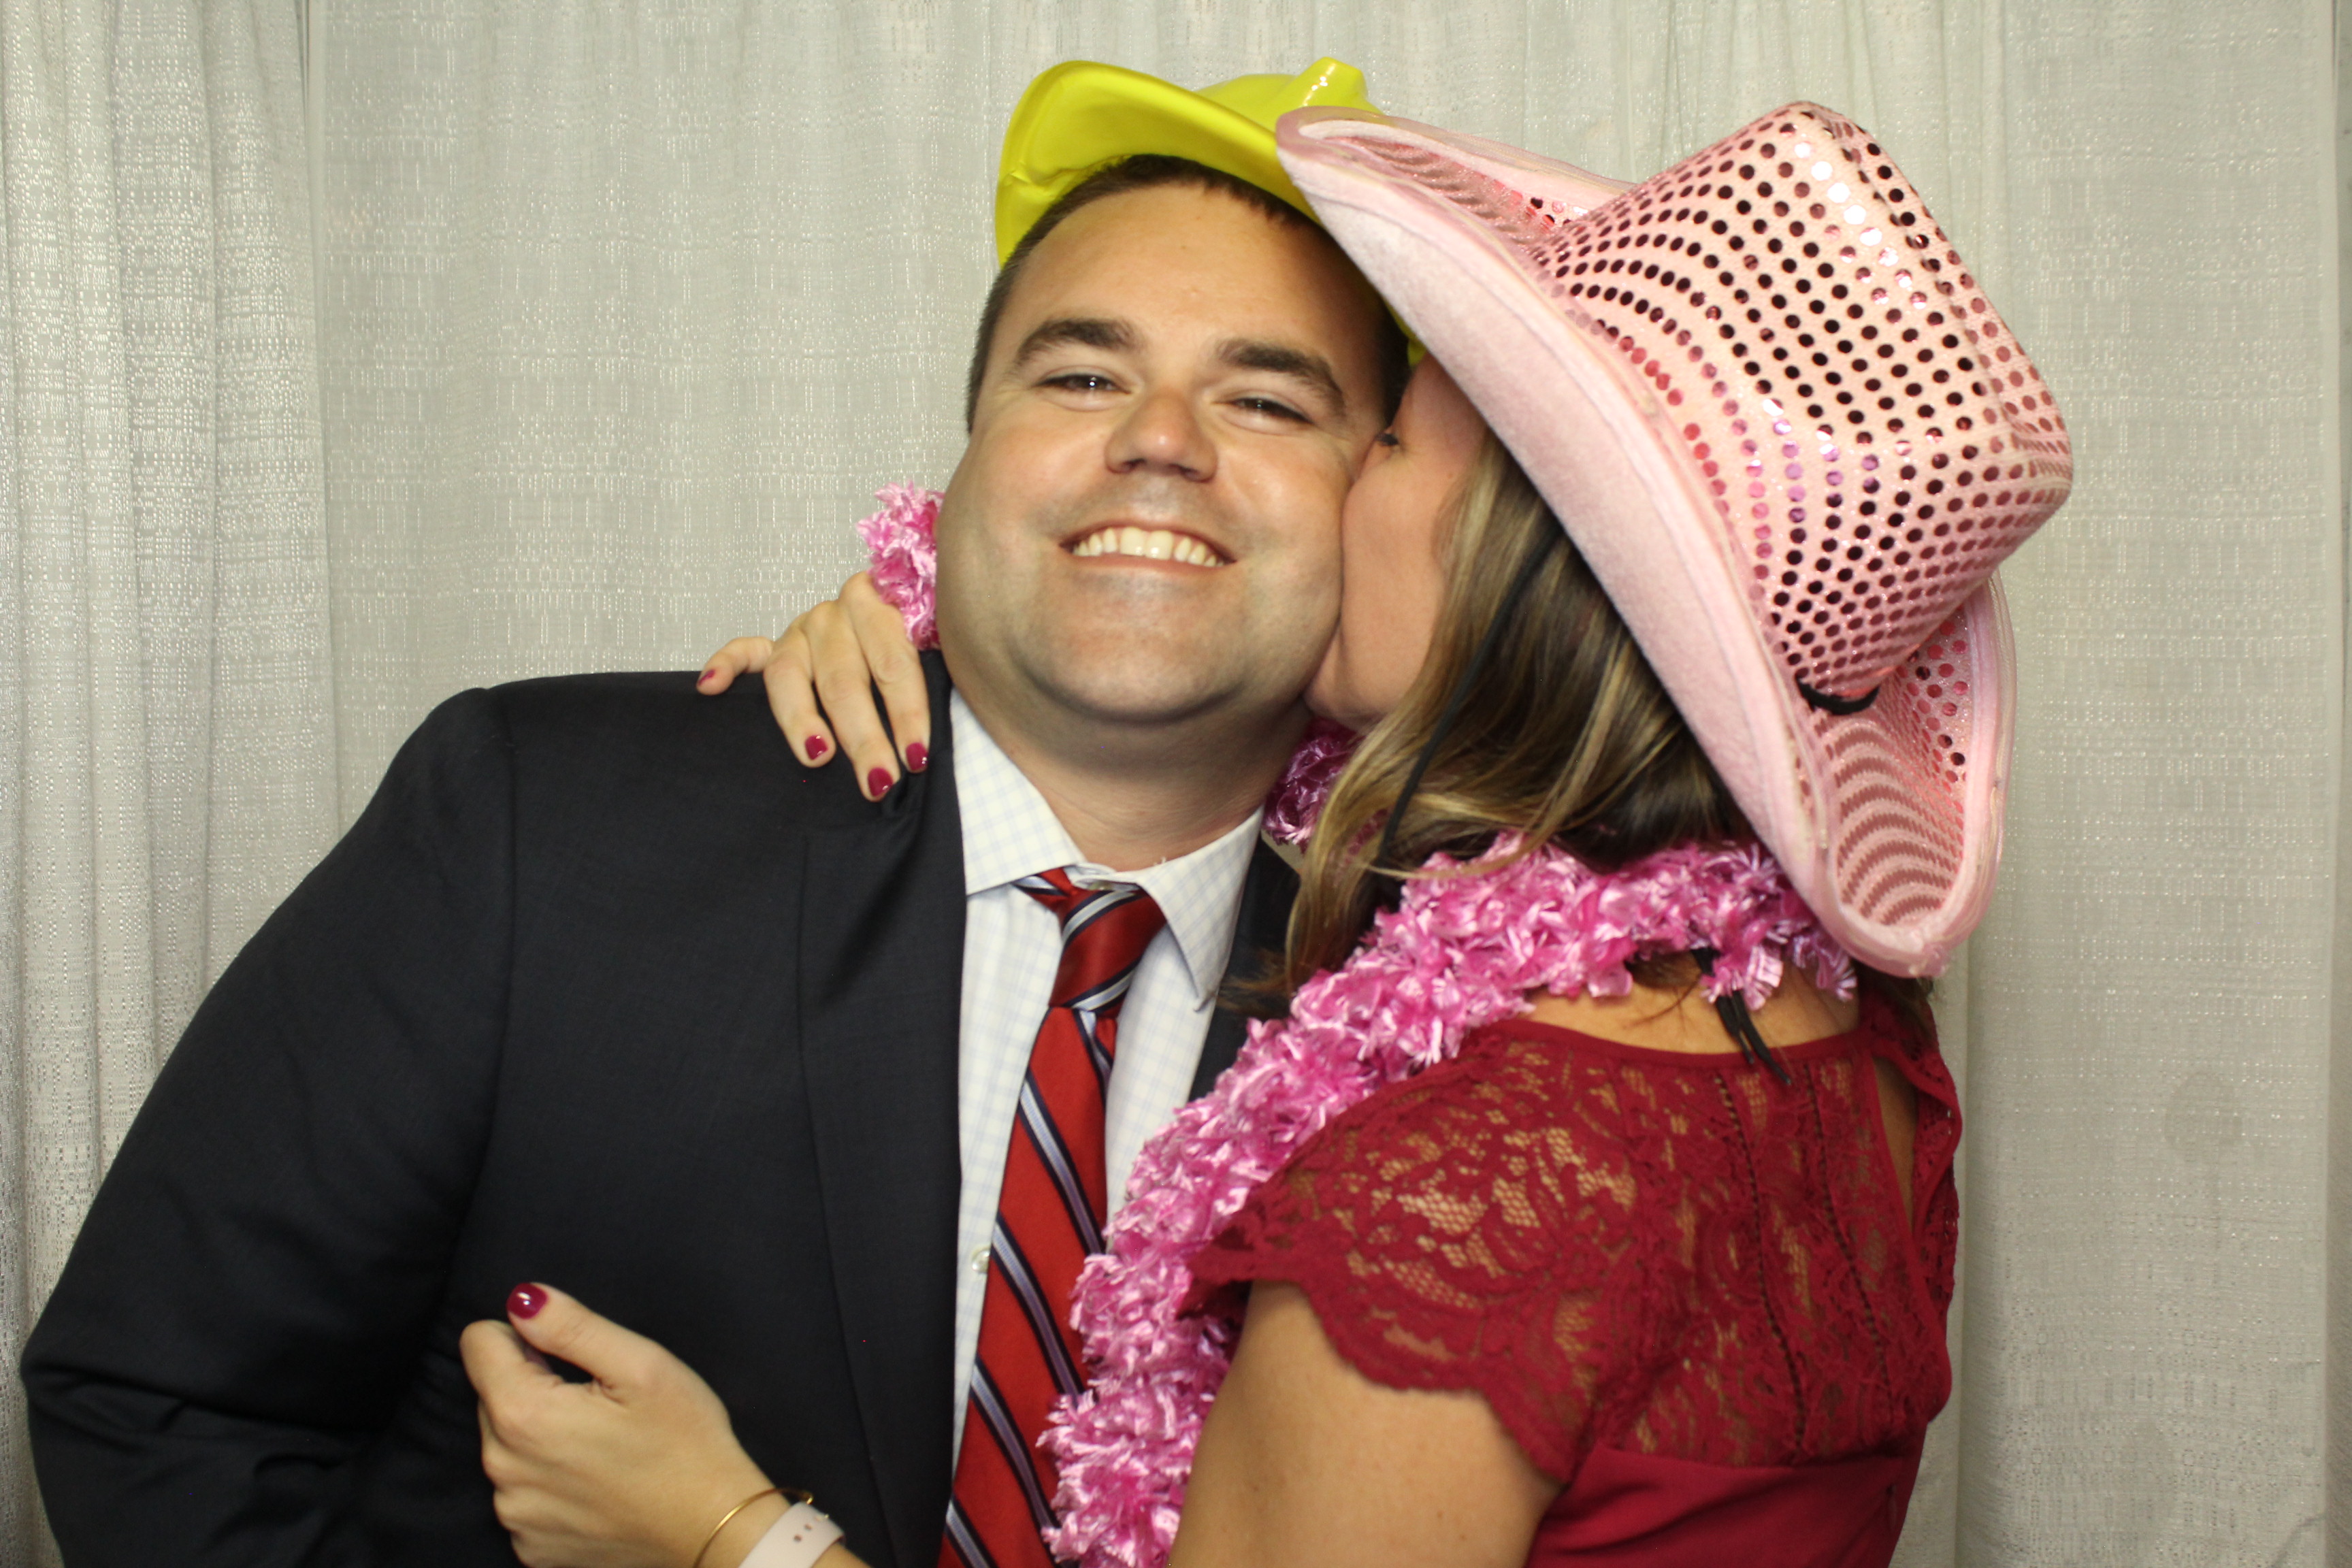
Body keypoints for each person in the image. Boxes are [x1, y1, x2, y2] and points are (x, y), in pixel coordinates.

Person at [463, 100, 2071, 1567]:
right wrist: (927, 608)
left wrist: (731, 1540)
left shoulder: (1458, 1199)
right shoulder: (1834, 1049)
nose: (1194, 449)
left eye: (1374, 434)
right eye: (1084, 375)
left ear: (1516, 568)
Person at [19, 60, 1409, 1567]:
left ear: (1385, 509)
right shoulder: (538, 823)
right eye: (1080, 375)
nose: (1161, 437)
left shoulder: (1440, 1038)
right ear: (956, 472)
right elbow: (154, 1406)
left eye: (1267, 397)